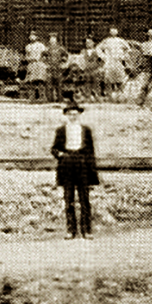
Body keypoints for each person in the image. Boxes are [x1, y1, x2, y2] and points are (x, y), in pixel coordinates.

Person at [51, 99, 99, 238]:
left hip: (82, 162)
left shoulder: (86, 130)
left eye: (75, 113)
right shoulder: (61, 130)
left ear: (79, 114)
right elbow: (54, 148)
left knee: (84, 198)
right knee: (69, 198)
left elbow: (91, 151)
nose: (73, 116)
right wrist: (61, 155)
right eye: (70, 114)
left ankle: (87, 230)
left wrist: (92, 170)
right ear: (66, 115)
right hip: (67, 164)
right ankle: (71, 230)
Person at [23, 32, 51, 103]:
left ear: (36, 37)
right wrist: (29, 59)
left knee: (40, 81)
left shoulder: (41, 45)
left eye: (34, 35)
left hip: (40, 64)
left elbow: (45, 55)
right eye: (31, 35)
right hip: (32, 64)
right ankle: (32, 98)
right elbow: (26, 56)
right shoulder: (28, 46)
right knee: (32, 82)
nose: (32, 37)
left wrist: (43, 60)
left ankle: (42, 97)